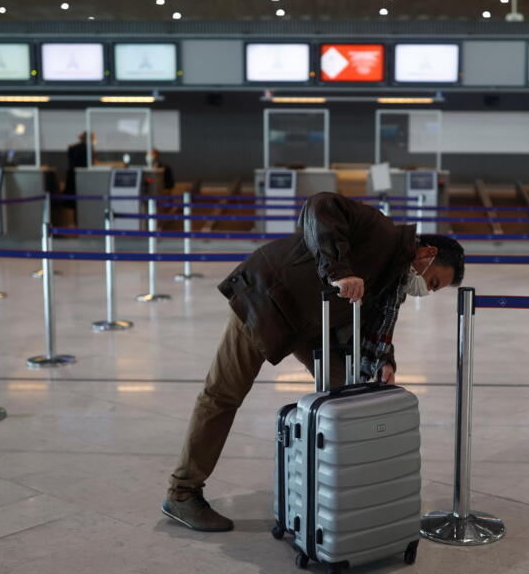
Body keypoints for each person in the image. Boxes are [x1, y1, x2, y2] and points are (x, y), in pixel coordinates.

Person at [162, 192, 465, 532]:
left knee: (344, 394)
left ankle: (339, 490)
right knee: (223, 395)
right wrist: (339, 269)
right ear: (427, 253)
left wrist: (384, 359)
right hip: (267, 298)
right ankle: (183, 492)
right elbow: (320, 205)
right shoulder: (380, 230)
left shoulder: (392, 278)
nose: (425, 288)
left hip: (307, 322)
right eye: (433, 280)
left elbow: (377, 321)